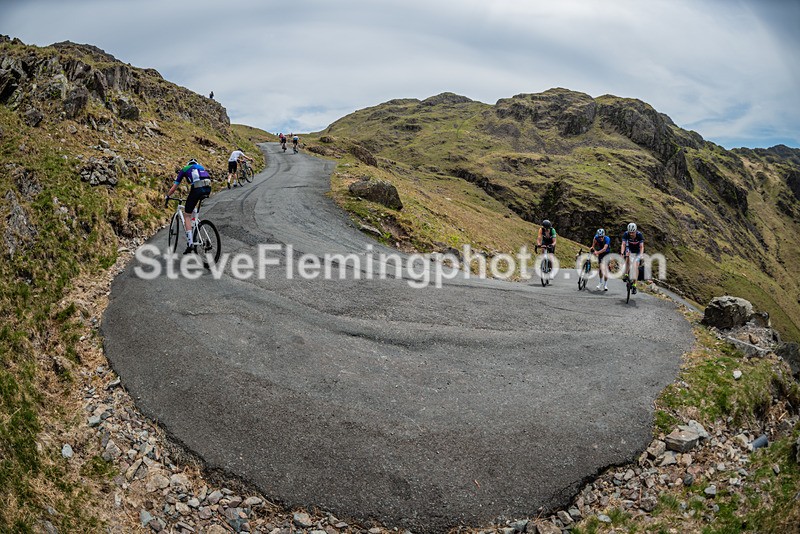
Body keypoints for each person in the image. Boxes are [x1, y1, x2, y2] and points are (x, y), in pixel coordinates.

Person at [166, 159, 212, 254]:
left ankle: (190, 243)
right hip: (208, 187)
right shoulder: (200, 167)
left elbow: (174, 187)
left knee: (186, 215)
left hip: (197, 188)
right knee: (193, 208)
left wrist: (167, 196)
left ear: (188, 164)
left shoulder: (185, 169)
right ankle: (195, 223)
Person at [621, 222, 645, 294]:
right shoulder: (626, 234)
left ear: (635, 231)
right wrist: (622, 253)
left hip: (637, 250)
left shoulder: (639, 235)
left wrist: (641, 255)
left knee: (636, 267)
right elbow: (623, 244)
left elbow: (641, 247)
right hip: (629, 249)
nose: (631, 234)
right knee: (627, 257)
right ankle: (626, 274)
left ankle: (634, 285)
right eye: (630, 232)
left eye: (633, 232)